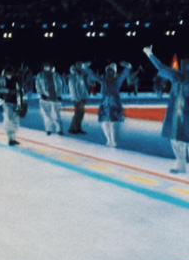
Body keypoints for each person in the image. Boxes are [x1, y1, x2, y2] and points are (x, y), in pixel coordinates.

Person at [143, 46, 189, 174]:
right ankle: (181, 164)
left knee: (177, 139)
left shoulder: (177, 75)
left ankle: (181, 164)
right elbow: (161, 68)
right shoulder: (177, 75)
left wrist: (149, 54)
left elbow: (161, 67)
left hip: (179, 112)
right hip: (179, 112)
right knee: (178, 139)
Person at [81, 61, 132, 148]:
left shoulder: (117, 80)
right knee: (104, 122)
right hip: (105, 104)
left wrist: (128, 67)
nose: (109, 72)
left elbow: (124, 74)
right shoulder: (104, 80)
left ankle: (113, 140)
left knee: (113, 123)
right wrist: (85, 68)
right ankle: (109, 139)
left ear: (114, 72)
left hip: (114, 103)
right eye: (108, 71)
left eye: (111, 71)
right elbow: (93, 75)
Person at [0, 65, 26, 146]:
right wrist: (8, 91)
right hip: (6, 102)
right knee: (8, 120)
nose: (10, 74)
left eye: (11, 72)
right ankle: (10, 138)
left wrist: (21, 93)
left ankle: (13, 138)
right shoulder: (0, 79)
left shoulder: (16, 80)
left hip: (16, 102)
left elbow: (20, 89)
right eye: (8, 72)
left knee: (15, 121)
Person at [35, 62, 64, 136]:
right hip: (45, 99)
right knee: (46, 115)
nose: (47, 68)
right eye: (46, 66)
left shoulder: (56, 75)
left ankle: (59, 129)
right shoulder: (40, 75)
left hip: (54, 98)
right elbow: (37, 85)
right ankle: (48, 129)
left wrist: (59, 95)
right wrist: (41, 94)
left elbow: (60, 85)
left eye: (49, 66)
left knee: (56, 115)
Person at [67, 62, 89, 134]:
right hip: (77, 98)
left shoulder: (80, 75)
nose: (81, 67)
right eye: (80, 66)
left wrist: (84, 96)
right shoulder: (73, 76)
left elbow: (83, 87)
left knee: (81, 113)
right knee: (77, 113)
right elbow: (73, 88)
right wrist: (78, 98)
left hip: (81, 97)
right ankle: (72, 128)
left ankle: (78, 128)